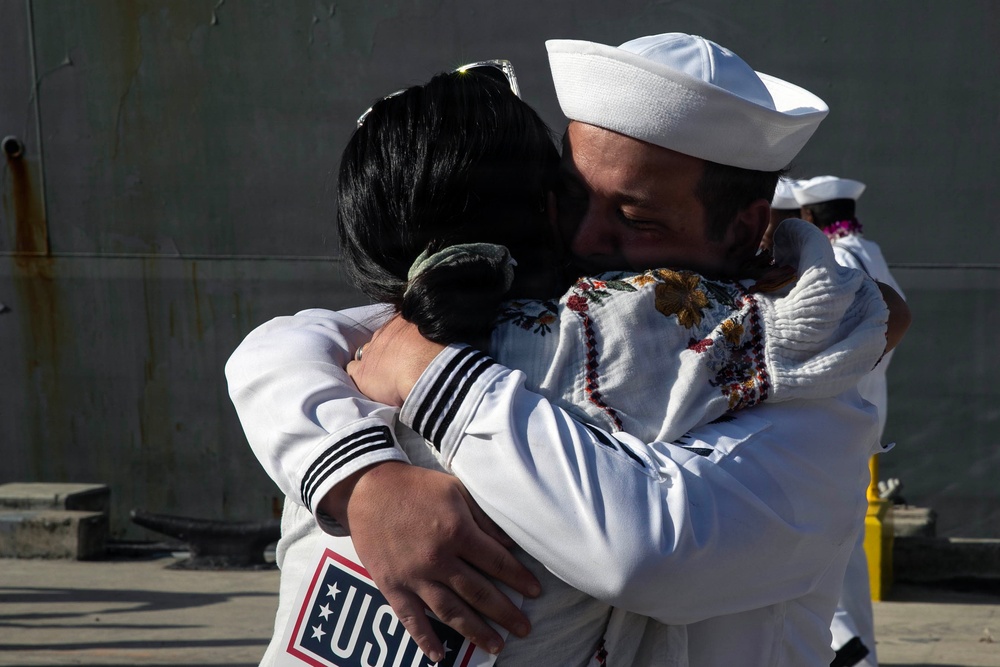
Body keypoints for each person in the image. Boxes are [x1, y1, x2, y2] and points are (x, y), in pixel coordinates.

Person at [228, 34, 909, 665]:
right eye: (569, 198)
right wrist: (367, 481)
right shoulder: (522, 317)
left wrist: (437, 379)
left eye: (635, 219)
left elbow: (647, 554)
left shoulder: (814, 412)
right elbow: (282, 349)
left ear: (742, 228)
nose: (584, 239)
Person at [793, 175, 908, 667]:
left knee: (826, 548)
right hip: (866, 418)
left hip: (837, 419)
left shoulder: (837, 260)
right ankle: (860, 653)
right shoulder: (870, 252)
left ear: (809, 217)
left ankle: (848, 650)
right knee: (848, 547)